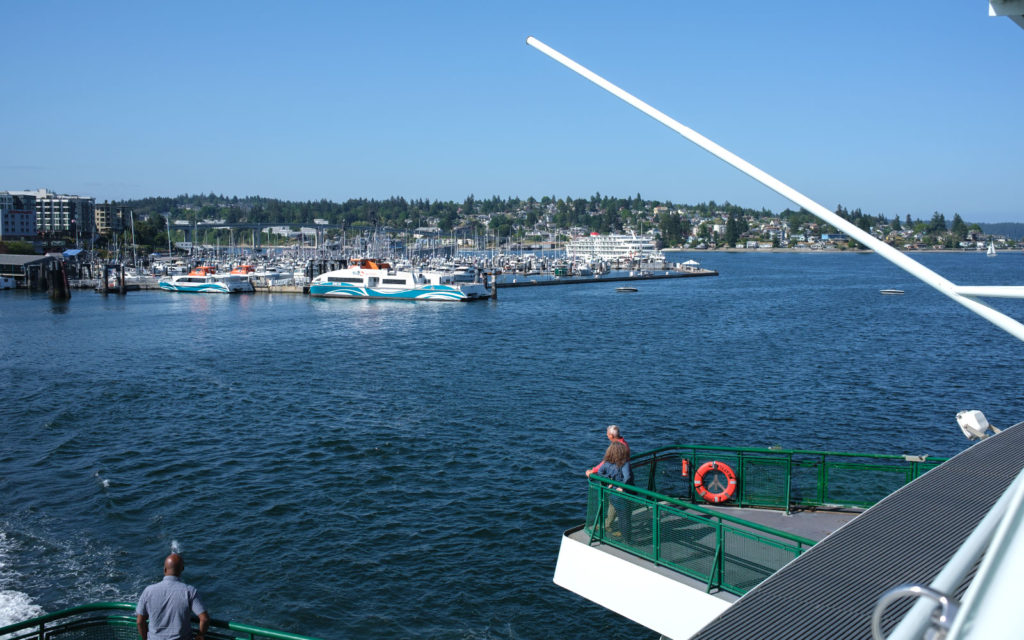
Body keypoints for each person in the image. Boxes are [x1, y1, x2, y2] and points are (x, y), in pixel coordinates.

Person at [136, 553, 209, 640]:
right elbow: (204, 619)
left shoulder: (148, 591)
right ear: (182, 569)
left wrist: (145, 638)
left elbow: (140, 621)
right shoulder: (190, 591)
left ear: (164, 569)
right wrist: (200, 635)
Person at [585, 441, 634, 538]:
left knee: (620, 515)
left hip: (612, 494)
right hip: (624, 494)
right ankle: (627, 539)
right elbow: (627, 476)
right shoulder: (624, 463)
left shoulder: (607, 463)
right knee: (625, 517)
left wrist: (609, 480)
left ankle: (620, 533)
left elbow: (599, 472)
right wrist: (622, 486)